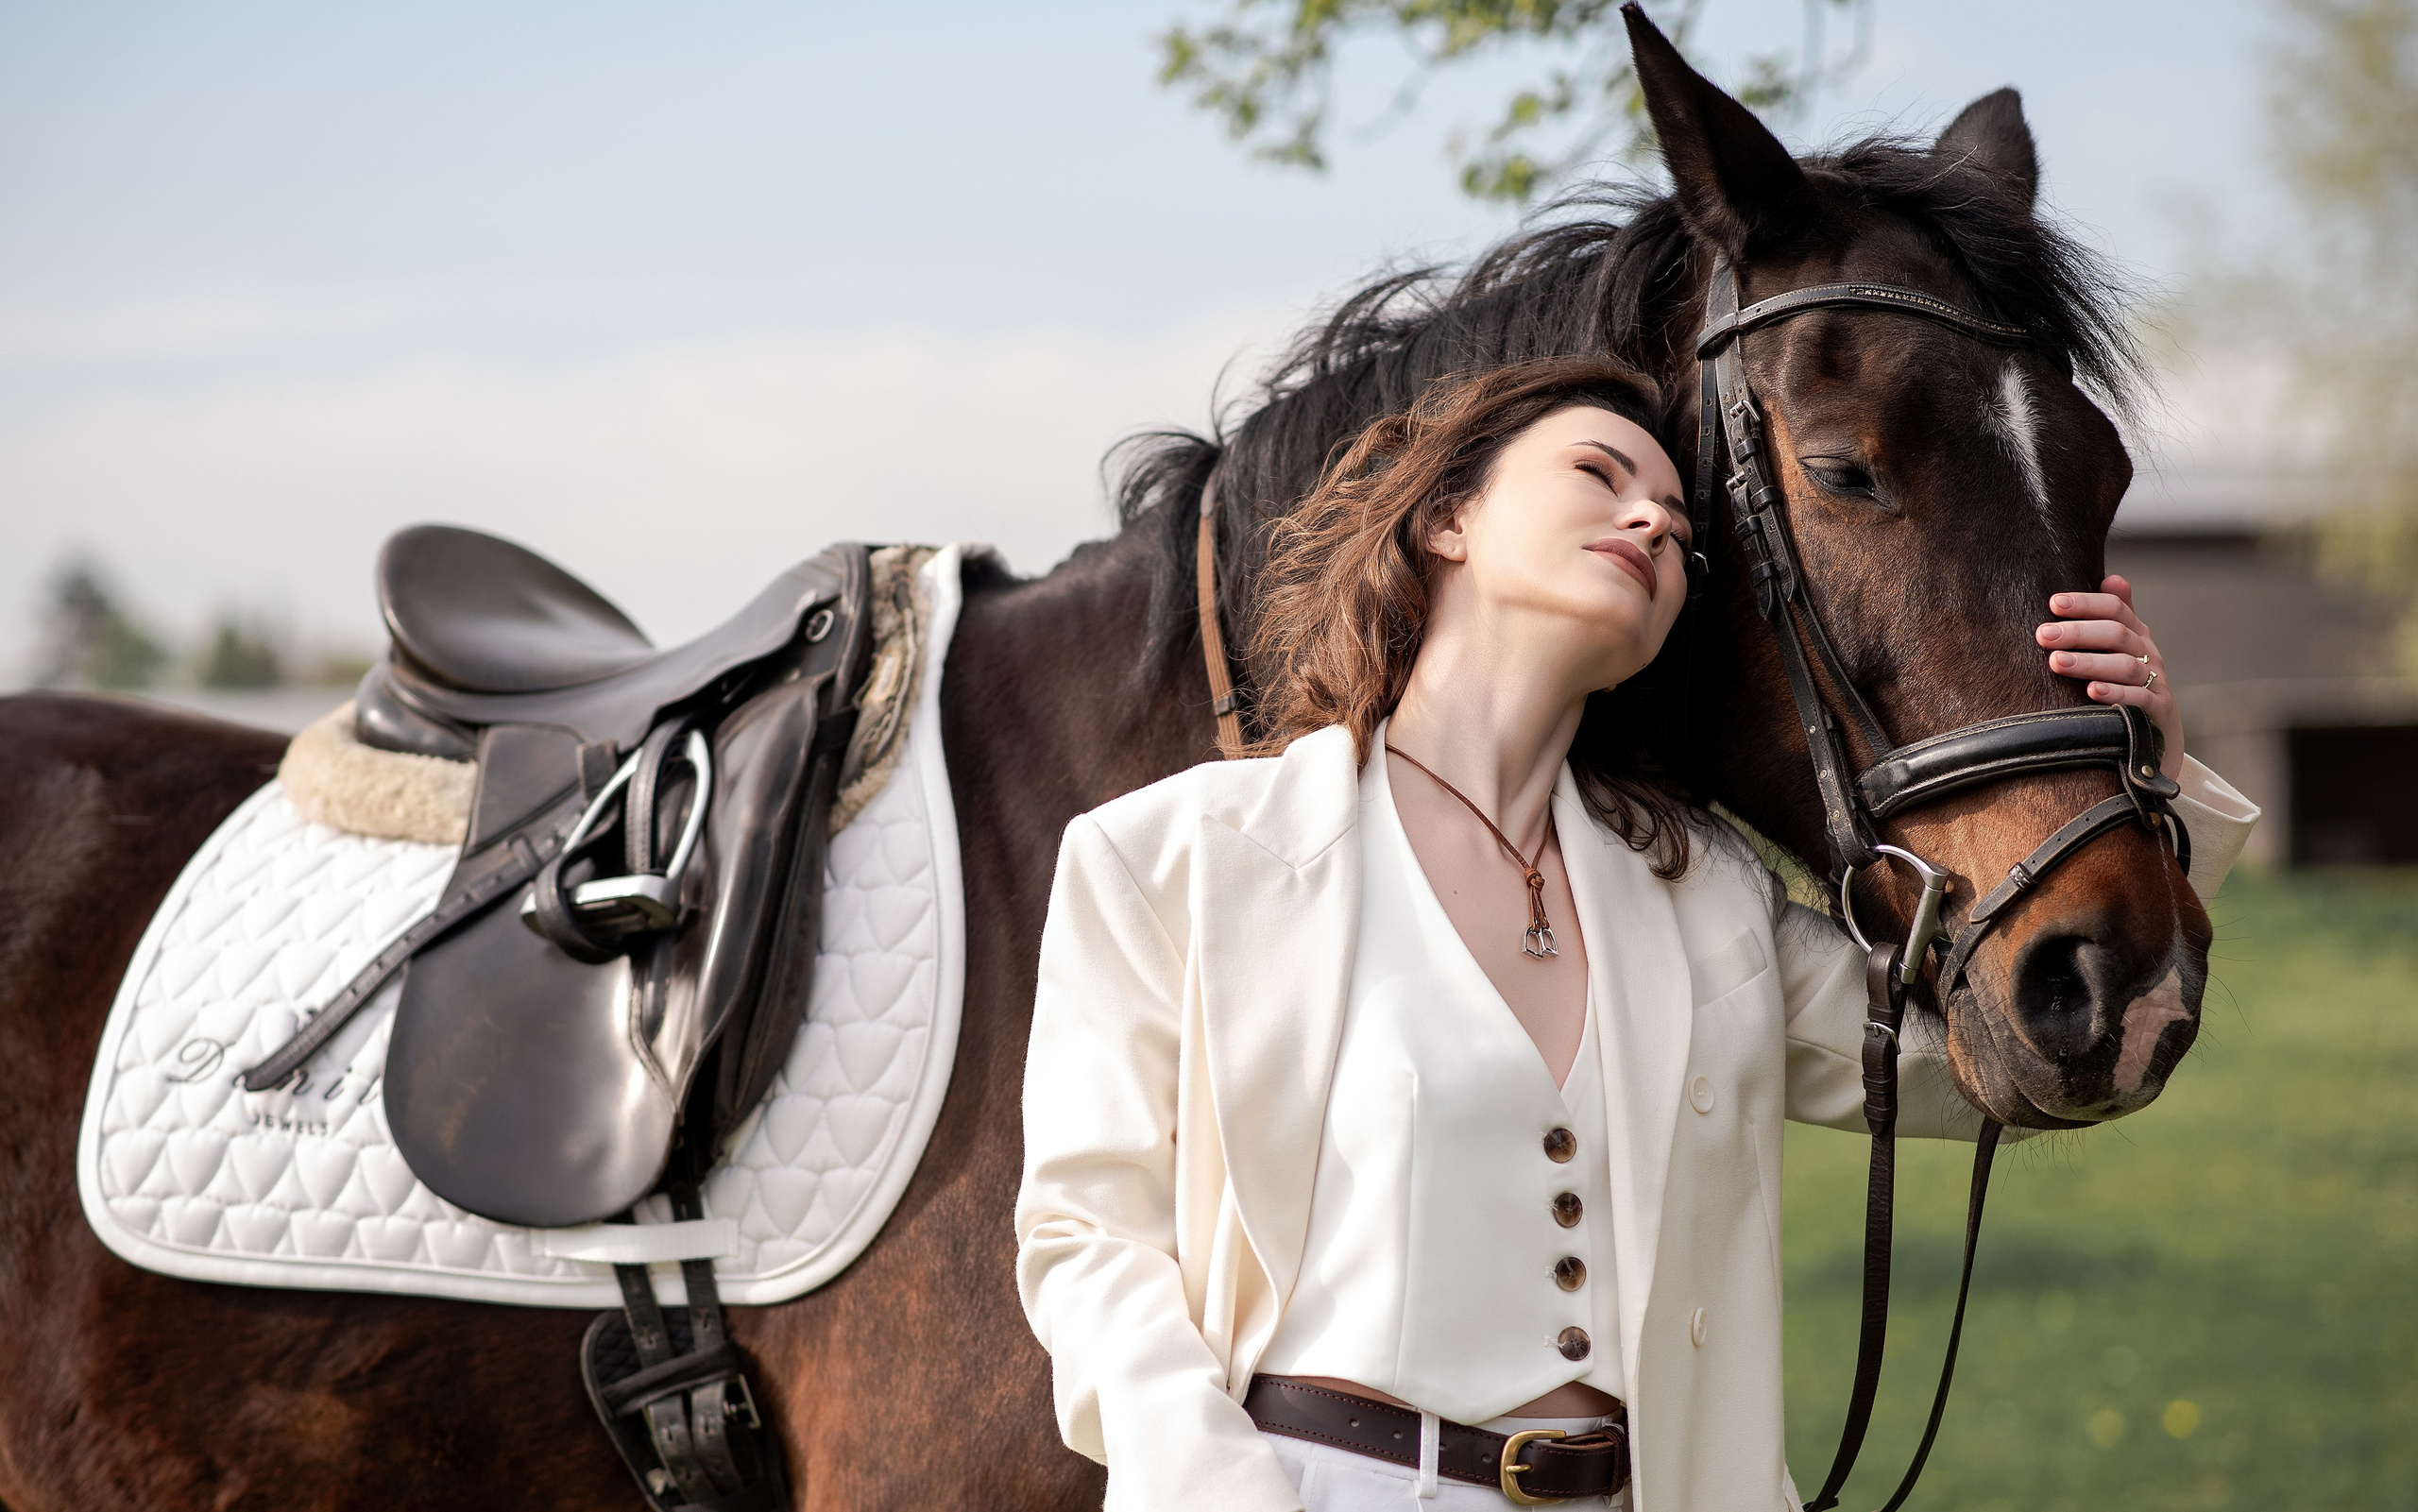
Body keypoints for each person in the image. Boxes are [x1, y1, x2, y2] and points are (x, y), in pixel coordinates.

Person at [1013, 356, 2258, 1511]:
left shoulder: (1703, 897)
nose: (1657, 518)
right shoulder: (1173, 856)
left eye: (1677, 519)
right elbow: (1086, 1237)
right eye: (1600, 476)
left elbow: (2017, 1057)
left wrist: (2149, 771)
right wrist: (1209, 1481)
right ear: (1448, 519)